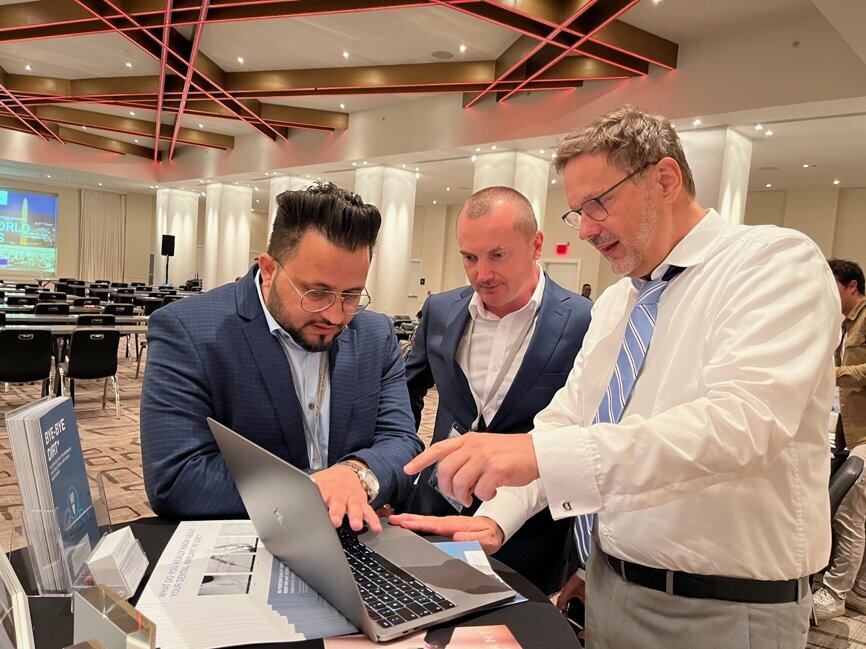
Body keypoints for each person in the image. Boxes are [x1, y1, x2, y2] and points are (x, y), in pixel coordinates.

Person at [390, 106, 840, 648]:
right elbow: (569, 420)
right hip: (606, 584)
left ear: (665, 179)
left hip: (720, 607)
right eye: (577, 211)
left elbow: (742, 425)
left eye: (598, 203)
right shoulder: (616, 305)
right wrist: (498, 518)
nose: (585, 229)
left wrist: (535, 456)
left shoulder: (771, 263)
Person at [141, 182, 423, 533]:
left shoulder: (374, 335)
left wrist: (356, 477)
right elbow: (177, 477)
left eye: (351, 296)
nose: (335, 316)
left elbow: (402, 442)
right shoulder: (188, 330)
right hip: (252, 542)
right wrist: (318, 488)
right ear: (270, 269)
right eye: (316, 293)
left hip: (358, 541)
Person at [403, 186, 592, 593]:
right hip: (436, 510)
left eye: (497, 255)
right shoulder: (440, 310)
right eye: (469, 257)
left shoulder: (584, 321)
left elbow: (585, 434)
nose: (481, 274)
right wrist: (400, 473)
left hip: (530, 530)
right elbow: (406, 395)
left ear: (536, 244)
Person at [813, 259, 866, 620]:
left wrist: (831, 373)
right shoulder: (845, 325)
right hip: (852, 428)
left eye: (832, 286)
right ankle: (860, 590)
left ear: (851, 286)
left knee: (848, 510)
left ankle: (834, 594)